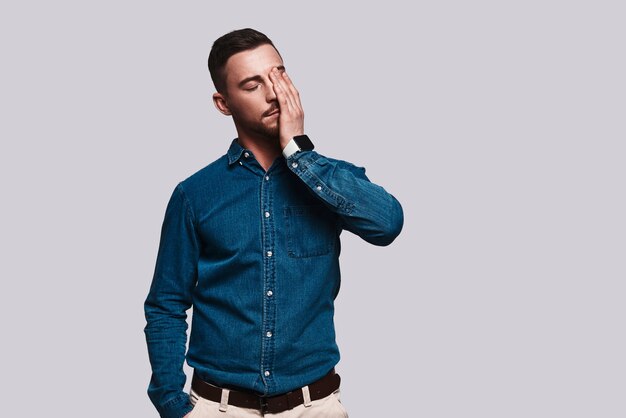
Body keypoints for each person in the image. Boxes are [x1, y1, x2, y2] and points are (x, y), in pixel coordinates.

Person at [144, 28, 404, 418]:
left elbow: (387, 224)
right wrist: (171, 403)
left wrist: (300, 152)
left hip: (313, 406)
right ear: (223, 103)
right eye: (252, 85)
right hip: (219, 408)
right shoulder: (194, 194)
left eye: (278, 76)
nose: (272, 94)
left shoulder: (329, 181)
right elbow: (165, 305)